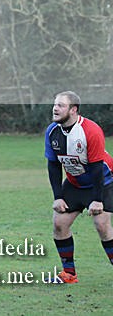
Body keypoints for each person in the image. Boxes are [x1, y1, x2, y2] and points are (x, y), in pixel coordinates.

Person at [46, 90, 113, 284]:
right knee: (59, 224)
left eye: (61, 105)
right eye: (55, 104)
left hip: (104, 181)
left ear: (73, 110)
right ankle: (69, 275)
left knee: (102, 225)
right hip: (75, 183)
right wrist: (57, 196)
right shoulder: (52, 131)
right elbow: (53, 165)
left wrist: (97, 199)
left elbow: (97, 168)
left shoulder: (90, 131)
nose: (55, 108)